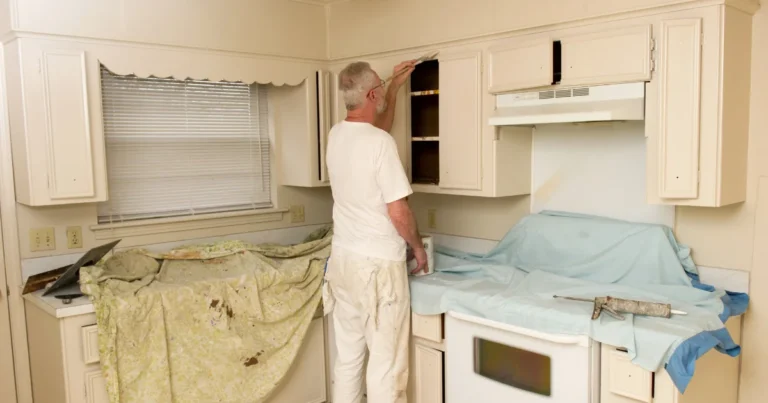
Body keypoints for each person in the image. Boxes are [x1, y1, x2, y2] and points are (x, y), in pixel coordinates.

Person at [323, 60, 428, 403]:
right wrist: (418, 246)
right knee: (386, 364)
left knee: (349, 357)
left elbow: (374, 129)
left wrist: (395, 87)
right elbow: (398, 212)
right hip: (378, 268)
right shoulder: (380, 144)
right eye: (380, 88)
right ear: (370, 94)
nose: (383, 92)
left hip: (343, 261)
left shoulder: (337, 135)